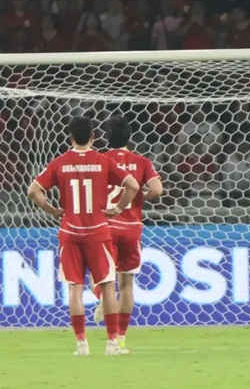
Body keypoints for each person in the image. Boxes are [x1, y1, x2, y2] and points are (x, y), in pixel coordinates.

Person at [27, 116, 140, 356]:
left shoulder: (60, 162)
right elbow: (133, 186)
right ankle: (111, 344)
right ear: (93, 137)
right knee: (109, 285)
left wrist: (52, 210)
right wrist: (118, 208)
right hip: (98, 232)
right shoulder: (102, 160)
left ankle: (82, 345)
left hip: (70, 232)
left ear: (70, 137)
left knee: (75, 288)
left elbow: (33, 190)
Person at [91, 115, 163, 353]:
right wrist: (136, 198)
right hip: (132, 229)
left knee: (103, 279)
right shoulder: (141, 161)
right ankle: (121, 340)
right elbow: (157, 189)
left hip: (106, 227)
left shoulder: (100, 160)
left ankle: (102, 296)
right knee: (127, 284)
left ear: (106, 137)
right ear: (129, 136)